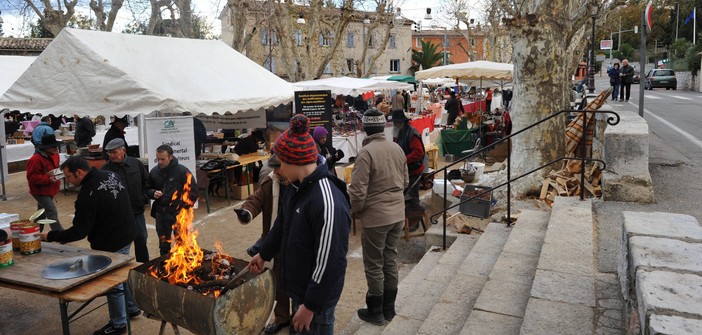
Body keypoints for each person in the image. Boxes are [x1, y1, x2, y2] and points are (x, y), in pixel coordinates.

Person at [248, 114, 350, 334]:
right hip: (300, 291)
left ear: (296, 161)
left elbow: (330, 260)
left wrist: (310, 306)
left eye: (282, 163)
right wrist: (264, 254)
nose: (280, 169)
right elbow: (282, 224)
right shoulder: (296, 187)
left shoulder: (326, 199)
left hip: (316, 303)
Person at [39, 155, 140, 335]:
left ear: (79, 172)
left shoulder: (87, 194)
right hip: (127, 232)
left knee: (113, 285)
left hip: (111, 242)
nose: (68, 182)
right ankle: (131, 308)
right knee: (123, 276)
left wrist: (51, 235)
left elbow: (79, 231)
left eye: (68, 177)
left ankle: (118, 324)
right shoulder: (111, 175)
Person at [349, 109, 408, 326]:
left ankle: (376, 311)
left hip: (376, 217)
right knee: (390, 260)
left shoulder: (366, 153)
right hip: (397, 214)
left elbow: (357, 191)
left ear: (365, 127)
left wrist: (355, 211)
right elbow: (405, 182)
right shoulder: (397, 148)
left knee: (374, 263)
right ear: (383, 126)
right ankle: (389, 309)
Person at [234, 154, 293, 334]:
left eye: (278, 168)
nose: (275, 172)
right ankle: (282, 318)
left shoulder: (302, 183)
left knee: (298, 281)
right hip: (275, 240)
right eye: (273, 168)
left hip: (297, 241)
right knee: (277, 280)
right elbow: (255, 200)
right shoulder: (271, 181)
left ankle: (299, 320)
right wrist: (246, 211)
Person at [102, 138, 150, 263]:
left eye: (114, 152)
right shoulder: (105, 170)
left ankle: (143, 267)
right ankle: (122, 272)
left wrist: (143, 198)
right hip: (119, 215)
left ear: (123, 150)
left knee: (141, 239)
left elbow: (146, 182)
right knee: (121, 245)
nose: (112, 155)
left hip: (137, 211)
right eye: (109, 153)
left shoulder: (136, 163)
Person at [147, 144, 199, 256]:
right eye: (158, 159)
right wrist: (152, 193)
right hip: (161, 214)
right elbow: (146, 189)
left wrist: (183, 209)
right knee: (163, 245)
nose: (160, 162)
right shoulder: (154, 172)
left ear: (170, 157)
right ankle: (165, 266)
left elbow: (193, 192)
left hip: (179, 214)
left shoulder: (182, 171)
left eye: (163, 159)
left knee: (182, 243)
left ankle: (183, 268)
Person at [26, 134, 64, 232]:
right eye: (53, 146)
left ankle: (35, 232)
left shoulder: (55, 155)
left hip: (50, 189)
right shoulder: (35, 160)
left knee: (41, 212)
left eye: (56, 145)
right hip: (40, 191)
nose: (56, 148)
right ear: (46, 148)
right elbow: (31, 177)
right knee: (51, 211)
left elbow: (55, 169)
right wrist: (48, 178)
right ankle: (59, 234)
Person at [391, 109, 424, 214]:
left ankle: (414, 221)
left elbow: (419, 152)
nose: (394, 125)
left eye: (395, 122)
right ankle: (407, 218)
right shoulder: (400, 132)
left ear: (401, 122)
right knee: (405, 196)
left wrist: (403, 160)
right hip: (405, 170)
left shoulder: (411, 133)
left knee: (412, 197)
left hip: (414, 170)